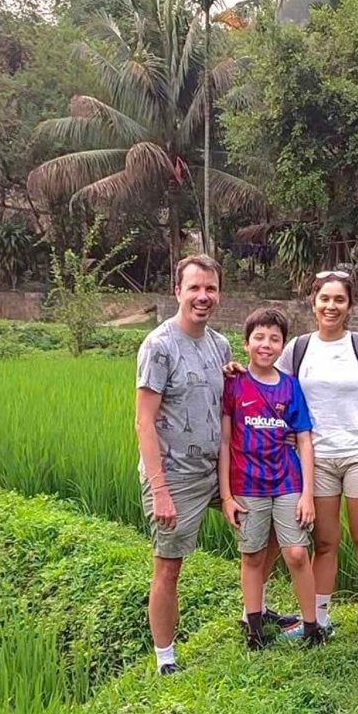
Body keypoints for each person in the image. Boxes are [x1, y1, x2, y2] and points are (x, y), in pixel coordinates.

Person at [277, 271, 358, 649]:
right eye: (325, 299)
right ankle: (317, 619)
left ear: (349, 306)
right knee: (325, 542)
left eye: (339, 300)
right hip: (315, 458)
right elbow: (273, 390)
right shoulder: (297, 349)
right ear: (313, 302)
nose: (331, 306)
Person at [135, 254, 229, 675]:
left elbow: (225, 400)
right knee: (169, 566)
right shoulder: (159, 346)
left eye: (210, 289)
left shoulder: (220, 344)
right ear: (178, 291)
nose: (202, 296)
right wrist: (160, 490)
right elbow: (143, 420)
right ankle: (165, 658)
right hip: (175, 475)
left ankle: (254, 612)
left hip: (219, 467)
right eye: (194, 288)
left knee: (271, 520)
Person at [218, 308, 325, 650]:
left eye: (274, 339)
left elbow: (305, 439)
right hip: (247, 484)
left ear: (283, 346)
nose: (266, 345)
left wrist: (308, 494)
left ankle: (312, 627)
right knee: (252, 555)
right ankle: (254, 629)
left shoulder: (290, 387)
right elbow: (223, 441)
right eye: (259, 338)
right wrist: (225, 496)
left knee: (295, 552)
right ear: (246, 343)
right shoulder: (233, 383)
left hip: (287, 482)